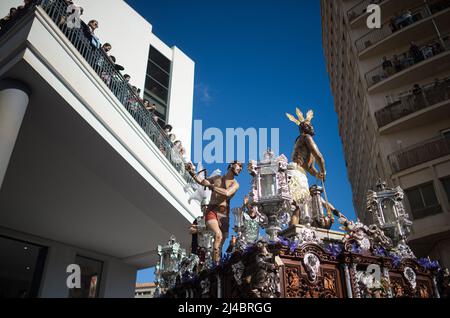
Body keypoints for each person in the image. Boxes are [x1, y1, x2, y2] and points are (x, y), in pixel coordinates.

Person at [186, 161, 243, 264]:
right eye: (239, 166)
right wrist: (192, 173)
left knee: (220, 244)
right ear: (231, 165)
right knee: (218, 235)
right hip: (212, 210)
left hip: (224, 214)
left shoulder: (235, 184)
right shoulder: (217, 178)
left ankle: (216, 263)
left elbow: (227, 193)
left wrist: (211, 187)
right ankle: (215, 266)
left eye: (241, 168)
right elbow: (202, 181)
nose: (240, 169)